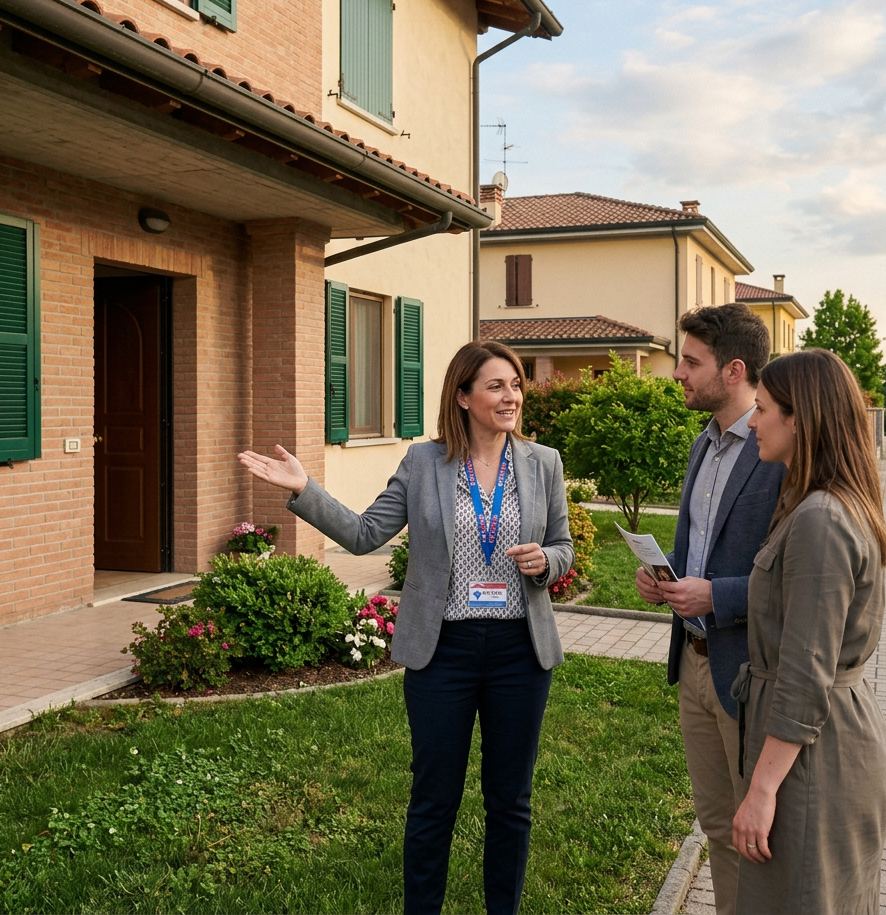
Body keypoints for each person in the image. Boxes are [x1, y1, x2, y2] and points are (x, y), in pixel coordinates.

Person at [238, 340, 574, 915]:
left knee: (511, 801)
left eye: (515, 384)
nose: (511, 396)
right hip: (444, 650)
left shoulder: (543, 463)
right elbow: (366, 532)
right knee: (433, 800)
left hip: (521, 650)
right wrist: (304, 489)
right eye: (496, 386)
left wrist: (548, 561)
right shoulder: (424, 463)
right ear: (463, 396)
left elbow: (563, 545)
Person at [635, 304, 785, 915]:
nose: (677, 373)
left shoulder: (778, 448)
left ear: (734, 370)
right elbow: (696, 542)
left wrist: (716, 596)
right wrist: (664, 580)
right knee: (718, 828)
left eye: (690, 361)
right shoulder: (703, 444)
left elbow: (800, 579)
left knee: (760, 838)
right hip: (693, 665)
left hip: (747, 672)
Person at [731, 348, 886, 915]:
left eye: (764, 408)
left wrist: (762, 789)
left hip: (813, 759)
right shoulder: (815, 505)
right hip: (814, 746)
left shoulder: (821, 518)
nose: (752, 422)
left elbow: (804, 674)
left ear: (801, 418)